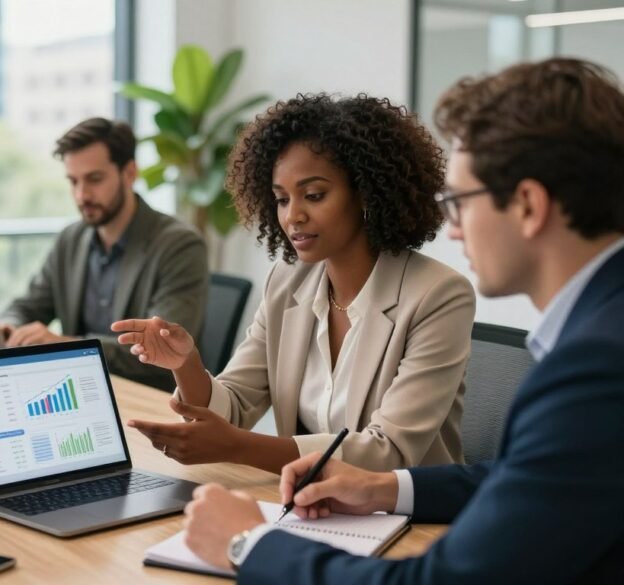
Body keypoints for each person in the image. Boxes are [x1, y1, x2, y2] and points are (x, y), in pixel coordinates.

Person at [182, 58, 624, 583]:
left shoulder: (597, 365)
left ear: (527, 204)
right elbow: (528, 479)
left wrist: (246, 544)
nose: (454, 229)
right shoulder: (599, 332)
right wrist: (382, 488)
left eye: (460, 201)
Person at [113, 94, 475, 472]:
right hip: (312, 503)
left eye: (314, 195)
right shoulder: (286, 284)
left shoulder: (438, 295)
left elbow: (388, 452)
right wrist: (186, 363)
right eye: (281, 199)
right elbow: (234, 408)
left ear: (367, 192)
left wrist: (238, 448)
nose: (293, 216)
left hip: (410, 518)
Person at [0, 117, 208, 391]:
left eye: (94, 179)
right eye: (73, 181)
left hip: (148, 397)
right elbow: (27, 306)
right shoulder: (70, 240)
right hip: (83, 391)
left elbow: (159, 347)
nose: (81, 195)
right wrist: (8, 328)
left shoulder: (179, 245)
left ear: (130, 173)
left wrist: (64, 345)